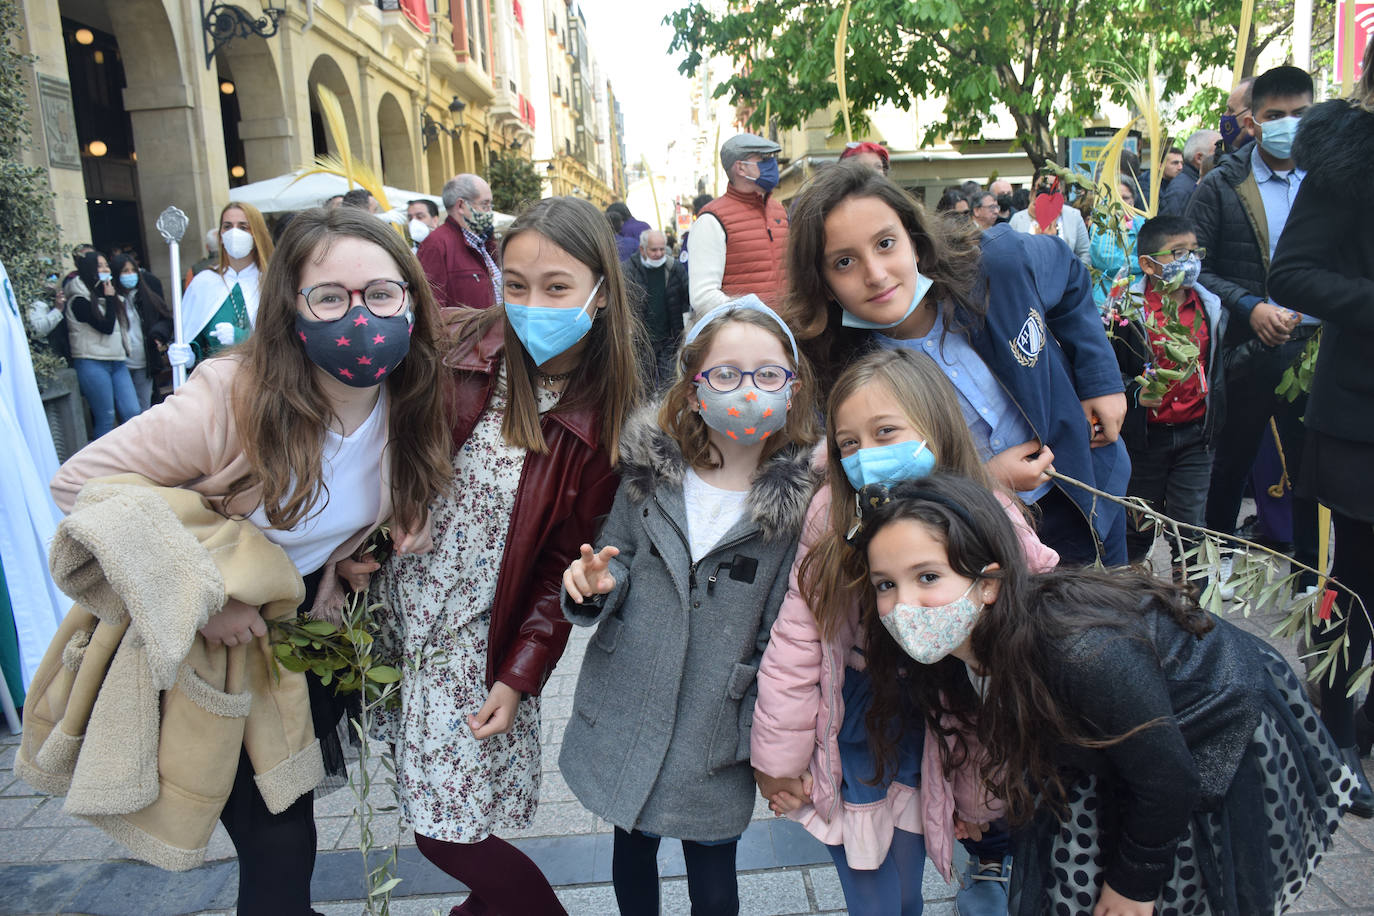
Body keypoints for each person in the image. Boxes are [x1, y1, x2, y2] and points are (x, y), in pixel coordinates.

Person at [49, 207, 453, 914]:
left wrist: (354, 558)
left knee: (290, 827)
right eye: (330, 297)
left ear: (411, 298)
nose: (360, 317)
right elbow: (77, 483)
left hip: (297, 640)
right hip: (208, 635)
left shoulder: (410, 398)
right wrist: (207, 594)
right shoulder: (231, 396)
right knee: (278, 844)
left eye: (382, 294)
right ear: (291, 309)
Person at [854, 472, 1354, 916]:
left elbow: (1167, 778)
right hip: (1117, 743)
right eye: (884, 584)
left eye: (927, 576)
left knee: (1176, 883)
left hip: (1213, 732)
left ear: (989, 584)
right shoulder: (956, 648)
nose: (903, 605)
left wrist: (1133, 885)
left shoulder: (1084, 655)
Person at [368, 196, 647, 915]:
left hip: (477, 639)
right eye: (515, 284)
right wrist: (401, 496)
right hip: (402, 613)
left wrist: (522, 673)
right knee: (425, 799)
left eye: (557, 286)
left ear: (599, 292)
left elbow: (565, 562)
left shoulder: (604, 418)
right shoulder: (459, 349)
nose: (531, 304)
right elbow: (376, 430)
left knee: (445, 830)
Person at [752, 348, 1058, 916]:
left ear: (937, 428)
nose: (867, 455)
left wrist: (978, 802)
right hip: (860, 718)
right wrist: (779, 758)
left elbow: (1038, 609)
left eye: (886, 431)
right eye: (849, 443)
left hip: (940, 723)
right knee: (871, 884)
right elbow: (798, 639)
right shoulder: (831, 516)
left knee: (909, 880)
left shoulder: (985, 511)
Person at [559, 297, 819, 915]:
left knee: (713, 863)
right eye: (726, 374)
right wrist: (599, 584)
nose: (747, 390)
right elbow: (618, 559)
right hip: (632, 695)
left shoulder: (800, 505)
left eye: (767, 374)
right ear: (696, 387)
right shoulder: (653, 472)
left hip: (716, 714)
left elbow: (785, 629)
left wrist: (769, 728)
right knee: (632, 842)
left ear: (793, 388)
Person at [782, 161, 1129, 566]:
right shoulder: (838, 375)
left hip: (1084, 495)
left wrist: (1100, 379)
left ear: (913, 238)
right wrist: (984, 481)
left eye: (885, 244)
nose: (875, 274)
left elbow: (1070, 275)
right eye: (844, 262)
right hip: (974, 540)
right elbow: (873, 494)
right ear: (822, 284)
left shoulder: (998, 265)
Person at [1268, 36, 1374, 818]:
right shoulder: (1350, 152)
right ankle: (1335, 735)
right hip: (1363, 407)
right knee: (1359, 584)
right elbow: (1292, 272)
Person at [1187, 65, 1317, 592]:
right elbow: (1194, 267)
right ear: (1253, 122)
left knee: (1313, 471)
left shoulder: (1330, 181)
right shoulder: (1221, 186)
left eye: (1301, 114)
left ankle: (1311, 578)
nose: (1289, 125)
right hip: (1246, 351)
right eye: (1276, 116)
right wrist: (1250, 307)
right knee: (1231, 461)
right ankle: (1211, 567)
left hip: (1314, 350)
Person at [1111, 215, 1226, 568]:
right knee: (1136, 528)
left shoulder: (1210, 308)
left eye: (1194, 252)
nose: (1190, 261)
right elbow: (1109, 372)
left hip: (1195, 436)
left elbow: (1219, 364)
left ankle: (1193, 612)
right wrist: (1135, 394)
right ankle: (1132, 603)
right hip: (1144, 439)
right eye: (1178, 253)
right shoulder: (1126, 312)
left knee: (1190, 531)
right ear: (1147, 264)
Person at [689, 132, 789, 313]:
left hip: (789, 330)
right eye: (763, 159)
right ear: (741, 168)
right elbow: (704, 296)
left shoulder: (779, 211)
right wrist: (755, 315)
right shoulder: (711, 220)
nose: (772, 164)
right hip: (749, 333)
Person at [175, 202, 274, 370]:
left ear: (256, 233)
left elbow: (282, 341)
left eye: (243, 227)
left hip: (262, 378)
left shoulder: (272, 282)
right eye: (227, 226)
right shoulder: (203, 283)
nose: (234, 233)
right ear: (220, 236)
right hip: (216, 380)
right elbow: (193, 338)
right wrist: (188, 355)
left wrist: (241, 337)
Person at [63, 250, 142, 437]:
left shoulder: (109, 293)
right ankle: (103, 465)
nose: (105, 269)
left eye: (106, 265)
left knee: (133, 411)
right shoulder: (78, 299)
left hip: (117, 360)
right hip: (92, 361)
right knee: (106, 416)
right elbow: (105, 326)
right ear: (88, 269)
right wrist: (109, 297)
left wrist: (110, 297)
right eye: (100, 266)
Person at [418, 173, 501, 310]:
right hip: (469, 331)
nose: (490, 211)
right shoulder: (436, 244)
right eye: (485, 205)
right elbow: (432, 309)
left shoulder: (485, 243)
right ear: (461, 206)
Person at [621, 228, 689, 386]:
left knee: (670, 382)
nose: (659, 253)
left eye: (662, 249)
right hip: (642, 340)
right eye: (654, 250)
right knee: (645, 384)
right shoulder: (628, 270)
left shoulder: (674, 268)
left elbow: (687, 296)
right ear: (642, 249)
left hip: (670, 337)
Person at [111, 252, 173, 410]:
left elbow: (166, 319)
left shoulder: (147, 296)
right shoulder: (111, 300)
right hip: (120, 363)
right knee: (129, 410)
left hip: (143, 362)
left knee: (143, 408)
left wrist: (158, 335)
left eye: (133, 270)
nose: (130, 275)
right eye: (125, 271)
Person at [1009, 173, 1092, 266]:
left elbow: (1085, 253)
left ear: (1061, 192)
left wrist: (1075, 276)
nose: (1048, 191)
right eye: (1043, 187)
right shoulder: (1017, 219)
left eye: (1053, 187)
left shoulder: (1073, 216)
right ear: (1033, 192)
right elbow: (1011, 254)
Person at [1088, 180, 1143, 309]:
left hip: (1138, 297)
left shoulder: (1143, 224)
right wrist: (1140, 263)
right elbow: (1107, 260)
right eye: (1116, 198)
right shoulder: (1100, 225)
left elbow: (1152, 258)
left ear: (1133, 200)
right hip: (1105, 297)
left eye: (1125, 198)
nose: (1120, 203)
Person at [1158, 129, 1221, 217]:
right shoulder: (1181, 190)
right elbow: (1172, 228)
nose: (1224, 157)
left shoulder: (1197, 183)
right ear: (1199, 158)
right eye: (1218, 152)